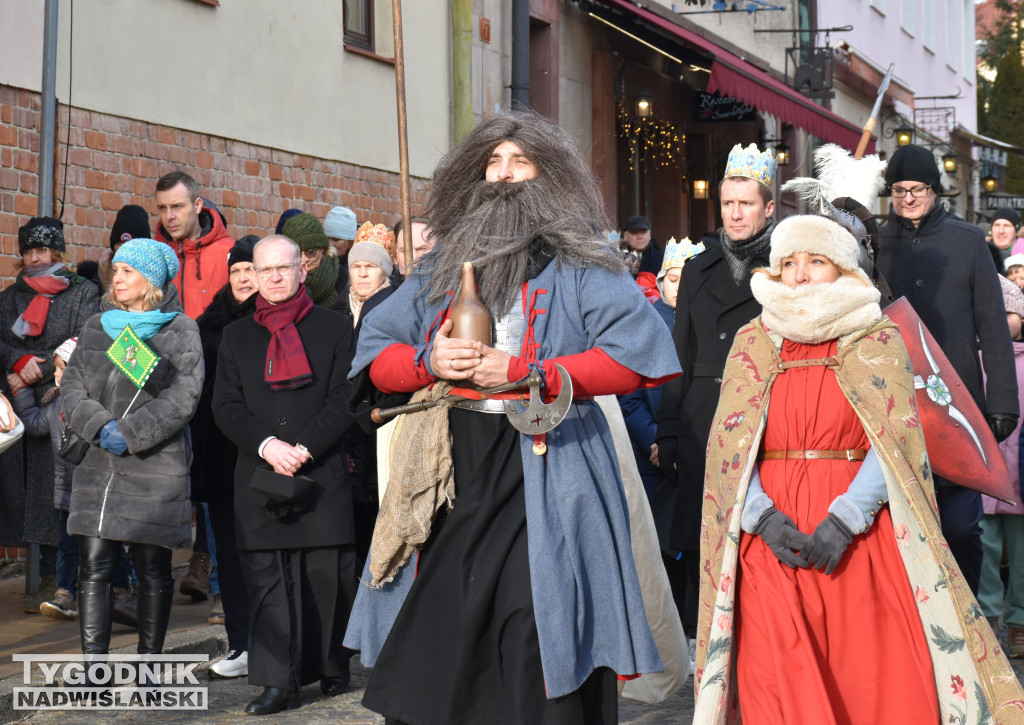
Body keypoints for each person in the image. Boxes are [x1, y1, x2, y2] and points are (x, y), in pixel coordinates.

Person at [343, 109, 680, 724]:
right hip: (460, 461)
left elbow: (635, 359)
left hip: (556, 461)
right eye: (493, 162)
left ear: (549, 175)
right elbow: (378, 360)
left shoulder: (583, 265)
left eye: (520, 161)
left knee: (536, 620)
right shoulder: (441, 271)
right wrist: (429, 358)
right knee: (450, 611)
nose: (504, 175)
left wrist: (534, 372)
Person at [694, 145, 1024, 722]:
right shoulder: (754, 339)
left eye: (815, 262)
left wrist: (846, 520)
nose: (799, 274)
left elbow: (894, 446)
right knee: (776, 679)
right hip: (771, 537)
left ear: (842, 268)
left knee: (867, 676)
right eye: (789, 262)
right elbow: (729, 447)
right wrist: (760, 518)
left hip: (855, 533)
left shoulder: (874, 338)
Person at [213, 235, 357, 716]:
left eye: (283, 268)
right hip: (259, 473)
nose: (273, 277)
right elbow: (225, 406)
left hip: (321, 470)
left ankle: (330, 665)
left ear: (302, 270)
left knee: (325, 578)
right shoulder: (235, 337)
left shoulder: (336, 328)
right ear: (252, 274)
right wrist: (268, 446)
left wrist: (304, 448)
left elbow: (344, 400)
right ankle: (278, 681)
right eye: (264, 269)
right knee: (268, 582)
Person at [876, 143, 1018, 594]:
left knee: (960, 525)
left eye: (917, 188)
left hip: (958, 407)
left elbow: (993, 329)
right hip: (894, 401)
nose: (909, 198)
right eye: (899, 190)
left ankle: (970, 614)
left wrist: (1002, 405)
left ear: (936, 190)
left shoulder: (968, 241)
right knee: (904, 527)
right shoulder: (875, 241)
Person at [655, 143, 775, 670]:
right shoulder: (699, 269)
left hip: (767, 413)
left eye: (746, 203)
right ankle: (713, 657)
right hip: (703, 417)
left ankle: (762, 652)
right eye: (728, 203)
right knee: (708, 545)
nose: (735, 212)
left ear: (768, 208)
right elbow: (677, 356)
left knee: (760, 535)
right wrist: (668, 432)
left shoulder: (785, 267)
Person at [61, 238, 202, 681]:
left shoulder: (180, 329)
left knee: (152, 570)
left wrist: (131, 433)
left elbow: (184, 396)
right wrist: (100, 427)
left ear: (152, 282)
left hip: (155, 468)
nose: (117, 279)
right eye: (116, 271)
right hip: (99, 467)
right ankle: (94, 671)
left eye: (128, 272)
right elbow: (72, 388)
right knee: (95, 568)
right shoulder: (97, 325)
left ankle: (149, 669)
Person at [0, 217, 99, 609]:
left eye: (42, 251)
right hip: (18, 401)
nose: (35, 259)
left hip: (60, 400)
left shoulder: (83, 292)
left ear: (57, 252)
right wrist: (17, 358)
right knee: (26, 495)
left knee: (59, 495)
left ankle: (63, 581)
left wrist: (37, 366)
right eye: (28, 252)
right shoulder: (9, 297)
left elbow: (84, 336)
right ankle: (45, 577)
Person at [191, 235, 260, 679]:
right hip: (218, 456)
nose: (242, 278)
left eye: (249, 270)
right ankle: (240, 644)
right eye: (236, 271)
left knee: (264, 553)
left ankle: (272, 640)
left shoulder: (276, 321)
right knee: (231, 554)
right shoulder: (206, 324)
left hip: (261, 454)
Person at [8, 337, 78, 619]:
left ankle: (120, 590)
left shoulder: (96, 401)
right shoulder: (54, 402)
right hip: (65, 492)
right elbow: (35, 424)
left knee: (106, 547)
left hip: (94, 494)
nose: (55, 375)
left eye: (62, 369)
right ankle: (64, 593)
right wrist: (22, 389)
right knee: (68, 547)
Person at [979, 275, 1024, 658]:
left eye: (1011, 312)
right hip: (984, 481)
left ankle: (1020, 624)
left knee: (1022, 559)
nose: (1003, 319)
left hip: (1020, 483)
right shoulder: (975, 360)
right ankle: (990, 617)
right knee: (987, 554)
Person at [153, 170, 234, 319]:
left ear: (197, 205)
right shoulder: (150, 258)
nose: (169, 216)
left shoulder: (230, 254)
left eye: (177, 206)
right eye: (162, 208)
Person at [282, 212, 346, 308]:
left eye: (311, 252)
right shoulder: (281, 279)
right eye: (297, 253)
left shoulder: (342, 277)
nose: (304, 259)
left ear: (323, 249)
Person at [99, 204, 150, 292]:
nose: (125, 251)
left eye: (132, 245)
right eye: (120, 244)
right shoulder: (94, 282)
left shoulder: (157, 283)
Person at [989, 207, 1021, 271]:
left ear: (1016, 231)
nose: (1001, 231)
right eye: (997, 225)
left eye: (1007, 226)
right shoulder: (980, 254)